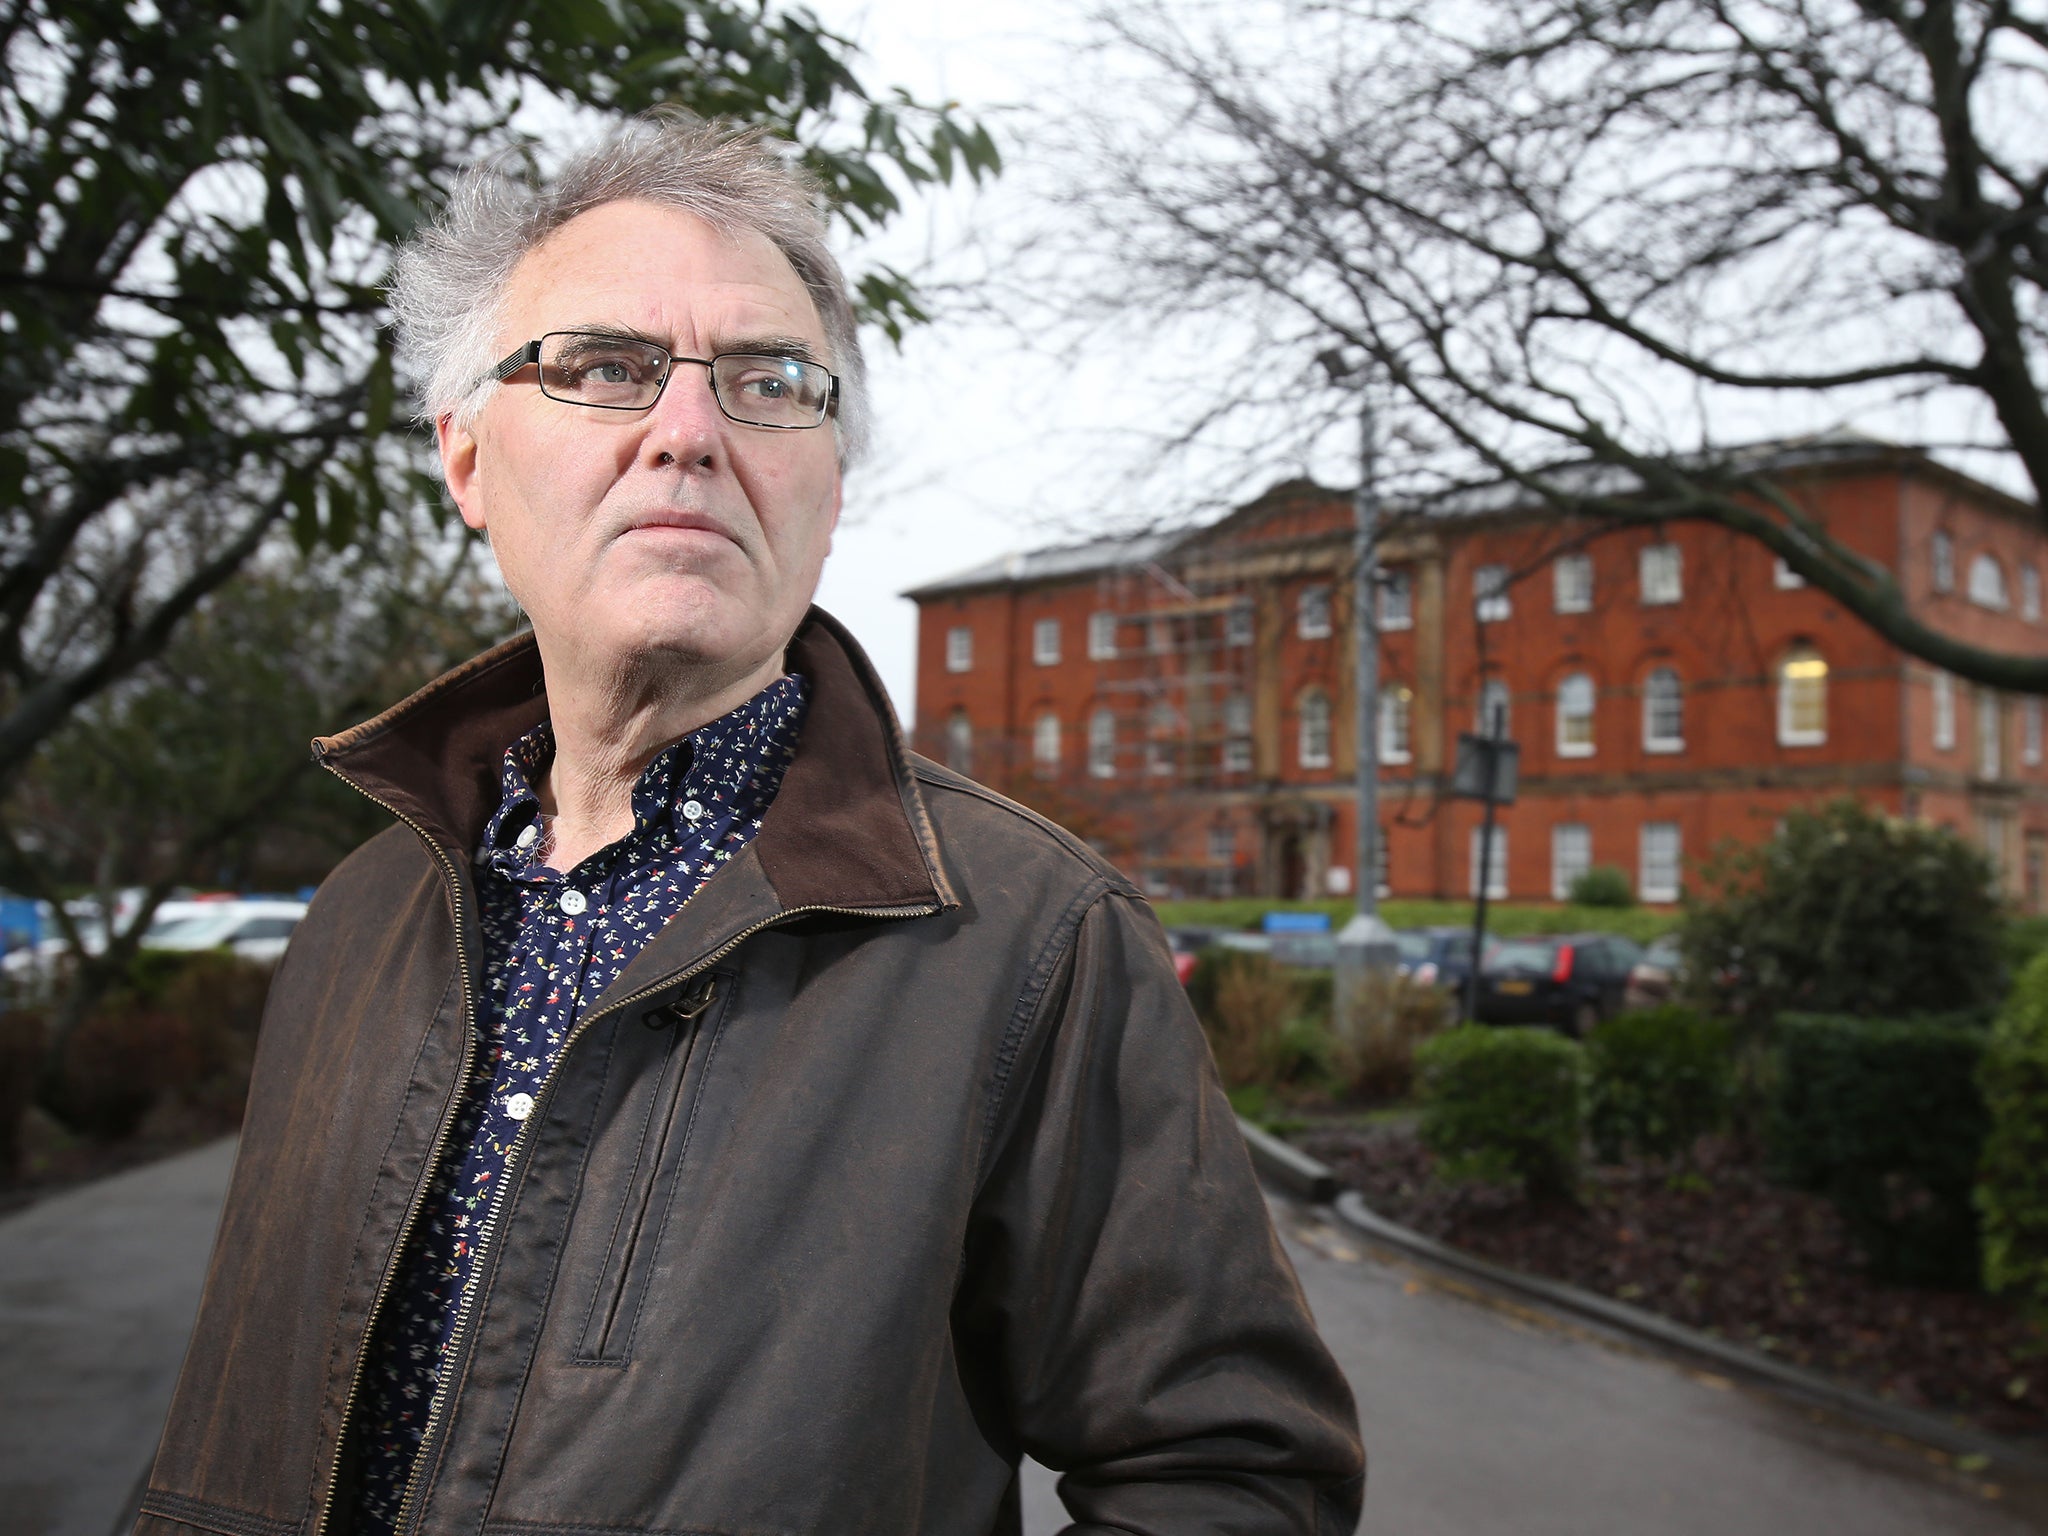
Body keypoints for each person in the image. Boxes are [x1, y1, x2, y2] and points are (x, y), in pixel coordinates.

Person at [134, 115, 1364, 1536]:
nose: (692, 433)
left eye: (771, 384)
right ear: (467, 460)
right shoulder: (363, 909)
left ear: (828, 488)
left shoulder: (1032, 941)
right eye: (605, 368)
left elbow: (1237, 1477)